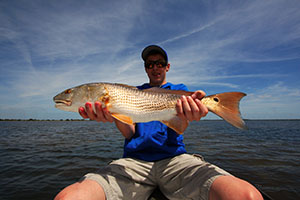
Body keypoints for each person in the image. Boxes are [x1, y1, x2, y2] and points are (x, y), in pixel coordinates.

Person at [54, 45, 263, 200]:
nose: (155, 68)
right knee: (68, 197)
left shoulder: (179, 90)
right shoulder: (132, 92)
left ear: (167, 67)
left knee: (247, 196)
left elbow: (179, 125)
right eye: (150, 64)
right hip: (133, 163)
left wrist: (193, 113)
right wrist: (112, 116)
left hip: (175, 160)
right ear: (146, 68)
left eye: (160, 64)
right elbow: (129, 133)